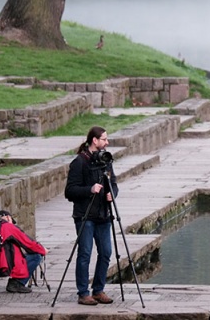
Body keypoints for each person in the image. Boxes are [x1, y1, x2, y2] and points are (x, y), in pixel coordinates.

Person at [65, 126, 119, 305]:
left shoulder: (106, 160)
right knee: (85, 253)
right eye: (104, 139)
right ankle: (83, 293)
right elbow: (69, 191)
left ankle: (98, 290)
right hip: (84, 216)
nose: (107, 142)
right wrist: (90, 189)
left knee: (106, 253)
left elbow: (113, 183)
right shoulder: (80, 162)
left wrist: (113, 193)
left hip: (103, 215)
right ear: (94, 141)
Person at [0, 210, 47, 294]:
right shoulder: (8, 227)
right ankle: (17, 283)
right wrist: (43, 250)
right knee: (36, 256)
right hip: (3, 266)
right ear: (8, 217)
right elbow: (28, 243)